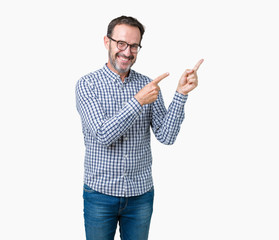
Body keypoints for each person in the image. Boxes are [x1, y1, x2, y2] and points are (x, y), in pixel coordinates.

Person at [76, 15, 203, 240]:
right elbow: (104, 135)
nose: (127, 52)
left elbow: (167, 135)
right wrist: (137, 102)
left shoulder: (148, 85)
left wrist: (181, 94)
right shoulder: (87, 84)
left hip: (140, 196)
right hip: (99, 194)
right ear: (107, 42)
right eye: (121, 43)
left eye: (134, 46)